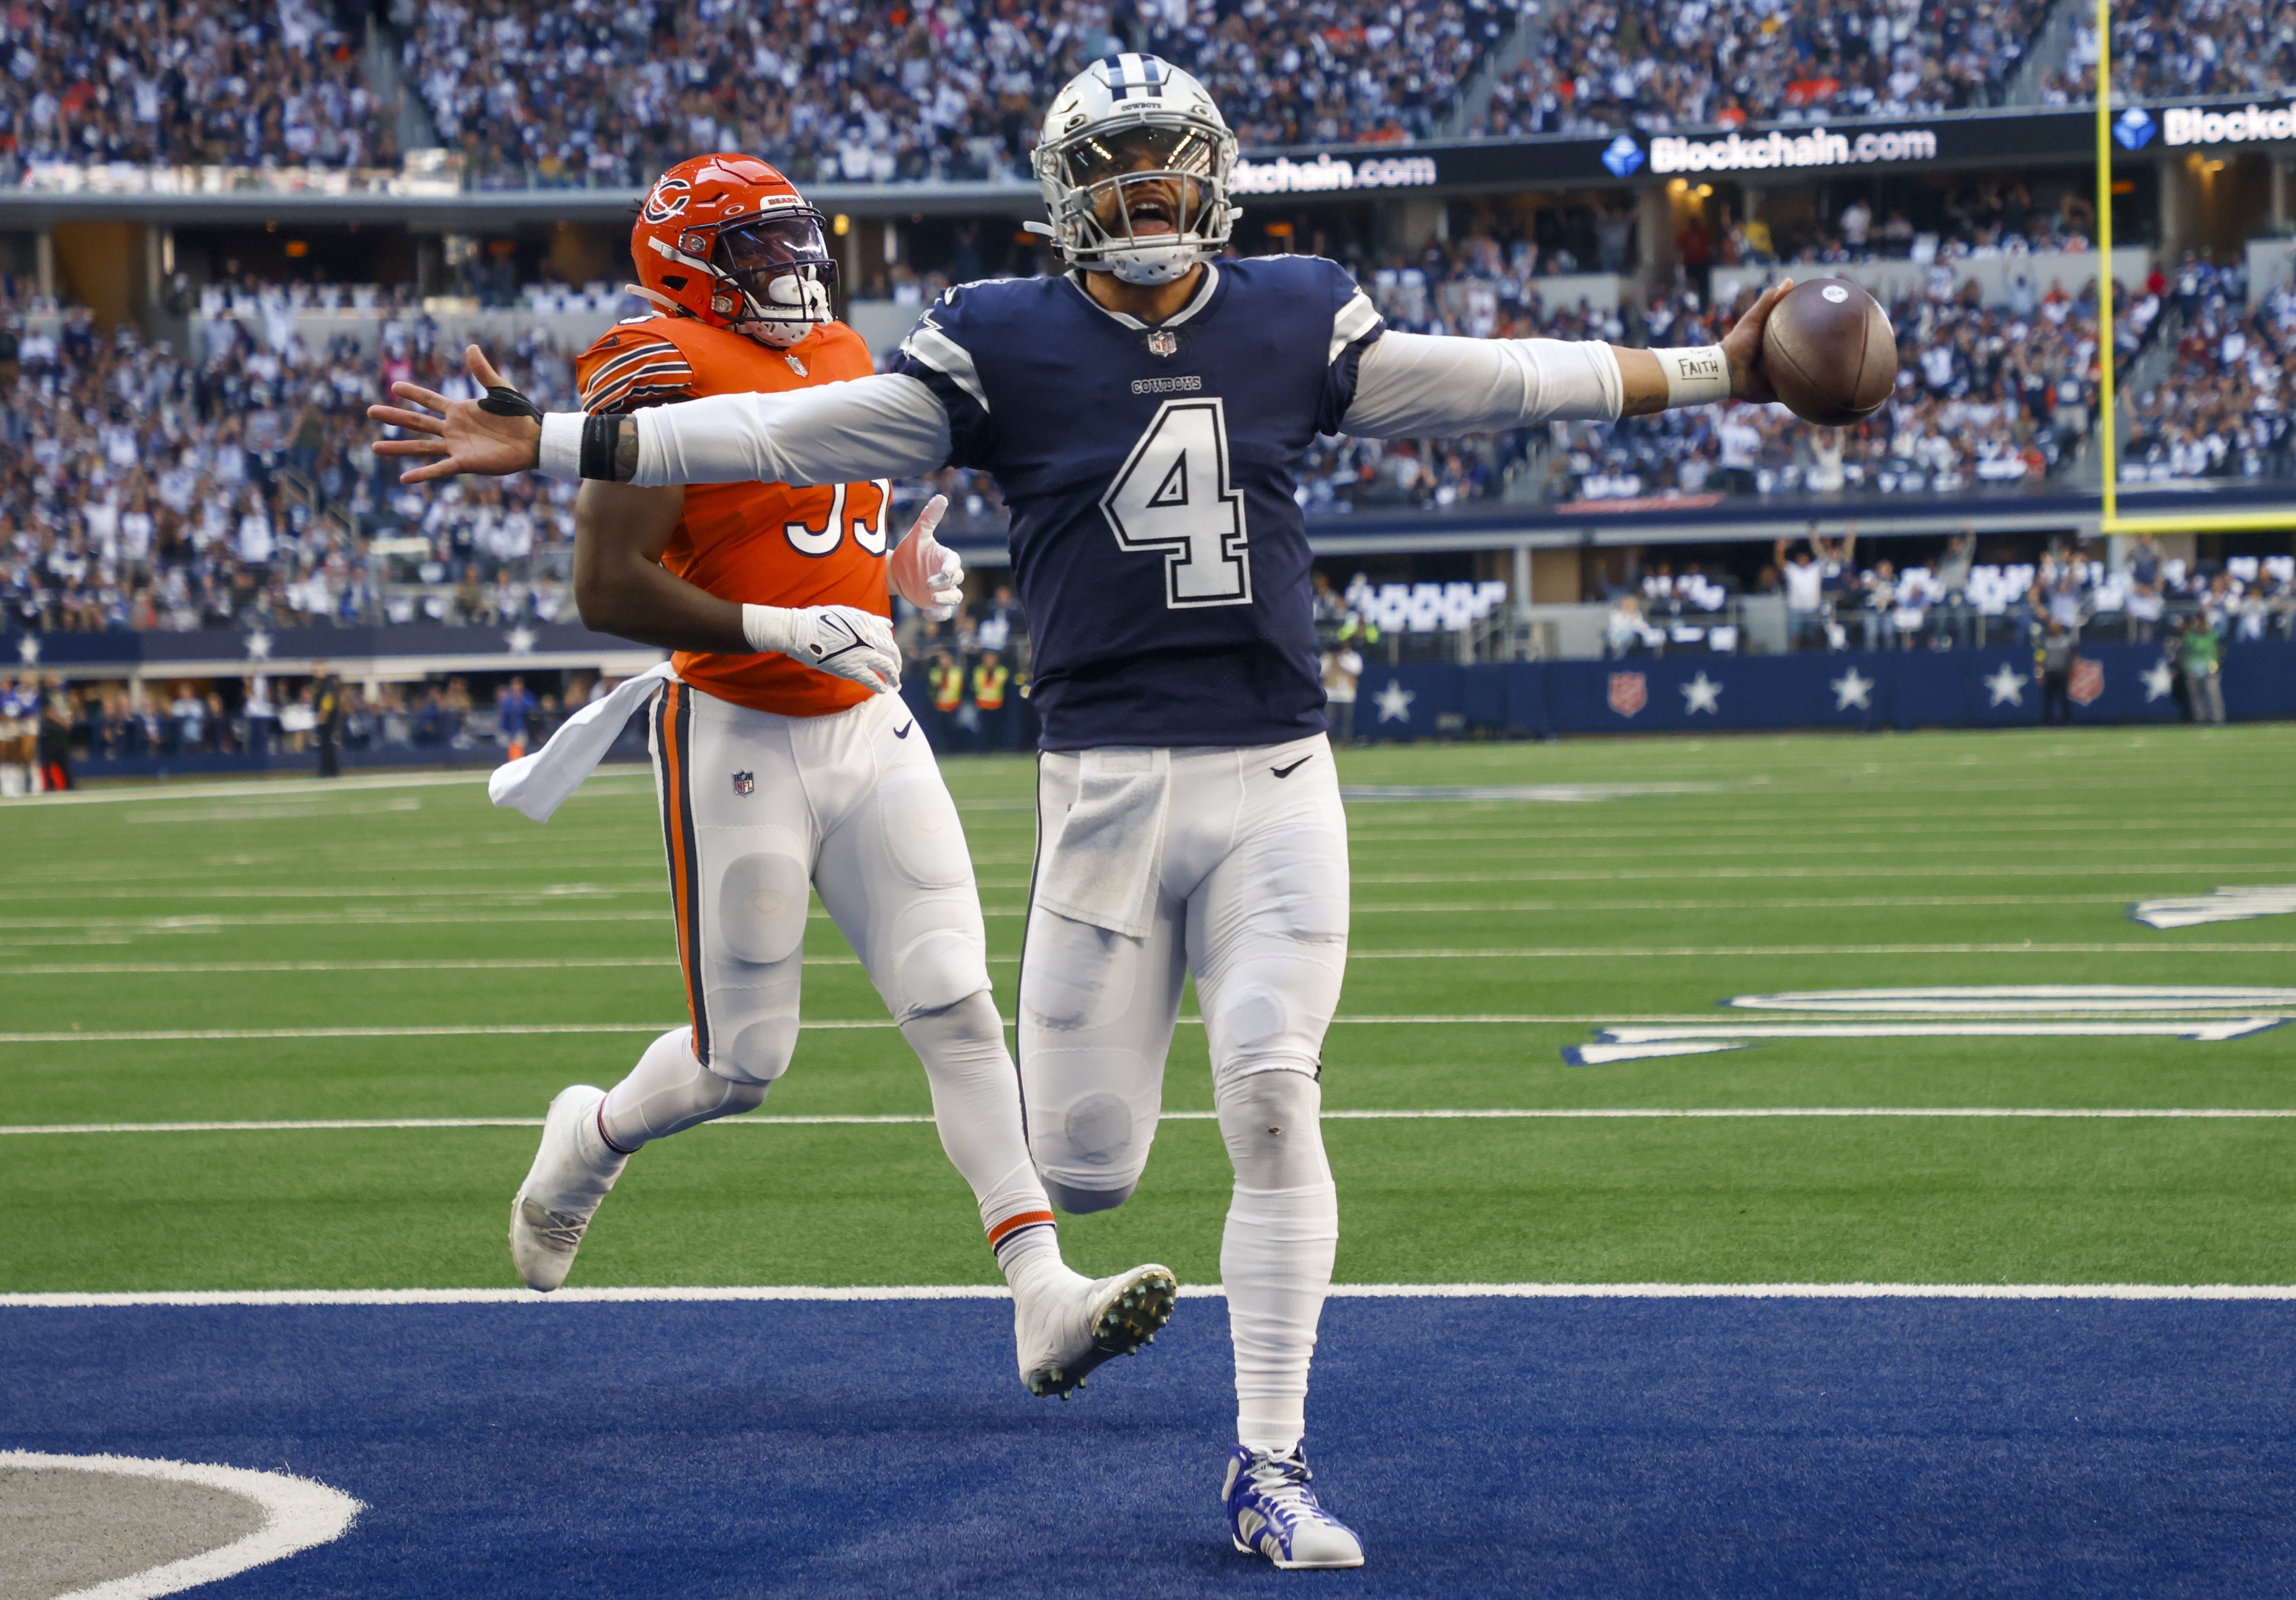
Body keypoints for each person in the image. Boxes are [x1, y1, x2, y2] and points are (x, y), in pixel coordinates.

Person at [370, 57, 1799, 1571]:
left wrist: (1711, 371)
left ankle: (1265, 1464)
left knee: (1266, 1089)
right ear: (1061, 193)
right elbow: (785, 443)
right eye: (1113, 167)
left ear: (1215, 174)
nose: (1144, 196)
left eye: (1166, 163)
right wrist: (546, 443)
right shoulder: (992, 340)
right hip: (1099, 793)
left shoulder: (1295, 307)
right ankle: (952, 1221)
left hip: (1275, 776)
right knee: (1083, 1157)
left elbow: (1497, 378)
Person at [379, 153, 1173, 1404]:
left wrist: (896, 568)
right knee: (739, 1063)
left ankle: (1041, 1297)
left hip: (866, 724)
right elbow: (604, 585)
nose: (795, 271)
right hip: (736, 732)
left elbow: (826, 523)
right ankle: (588, 1135)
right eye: (760, 250)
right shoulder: (654, 358)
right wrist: (767, 624)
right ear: (694, 266)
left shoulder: (848, 351)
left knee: (956, 1005)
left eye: (798, 242)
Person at [2180, 613, 2225, 724]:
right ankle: (2201, 718)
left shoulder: (2212, 634)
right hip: (2193, 668)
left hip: (2210, 668)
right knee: (2196, 695)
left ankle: (2218, 719)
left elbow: (2219, 648)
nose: (2201, 625)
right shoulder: (2190, 636)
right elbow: (2187, 650)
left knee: (2213, 694)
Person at [2037, 616, 2076, 725]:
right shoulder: (2045, 641)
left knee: (2064, 699)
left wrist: (2072, 670)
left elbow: (2072, 656)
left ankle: (2067, 721)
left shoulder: (2067, 641)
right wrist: (2040, 672)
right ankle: (2047, 722)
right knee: (2048, 699)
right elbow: (2040, 658)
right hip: (2050, 672)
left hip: (2062, 672)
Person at [1319, 643, 1360, 743]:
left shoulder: (1352, 657)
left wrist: (1341, 659)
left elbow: (1356, 670)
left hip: (1347, 694)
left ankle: (1346, 741)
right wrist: (1332, 659)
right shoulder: (1325, 657)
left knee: (1347, 721)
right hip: (1331, 694)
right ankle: (1330, 742)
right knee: (1329, 720)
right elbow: (1321, 671)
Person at [971, 649, 1009, 753]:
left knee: (996, 729)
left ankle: (996, 747)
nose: (990, 661)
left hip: (996, 704)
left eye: (992, 658)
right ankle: (984, 749)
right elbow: (978, 686)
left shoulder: (1002, 671)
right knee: (983, 729)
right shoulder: (979, 671)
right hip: (983, 705)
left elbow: (999, 685)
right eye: (988, 658)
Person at [311, 663, 343, 778]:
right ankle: (330, 769)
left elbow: (328, 700)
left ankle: (329, 770)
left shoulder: (327, 683)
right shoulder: (319, 684)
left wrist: (322, 715)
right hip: (324, 718)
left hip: (328, 719)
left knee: (327, 744)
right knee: (325, 744)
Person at [495, 674, 536, 760]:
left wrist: (520, 699)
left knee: (520, 747)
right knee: (506, 748)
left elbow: (531, 706)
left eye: (519, 685)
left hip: (520, 727)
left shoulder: (526, 695)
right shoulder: (507, 697)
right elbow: (504, 707)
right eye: (515, 685)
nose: (517, 687)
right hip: (507, 728)